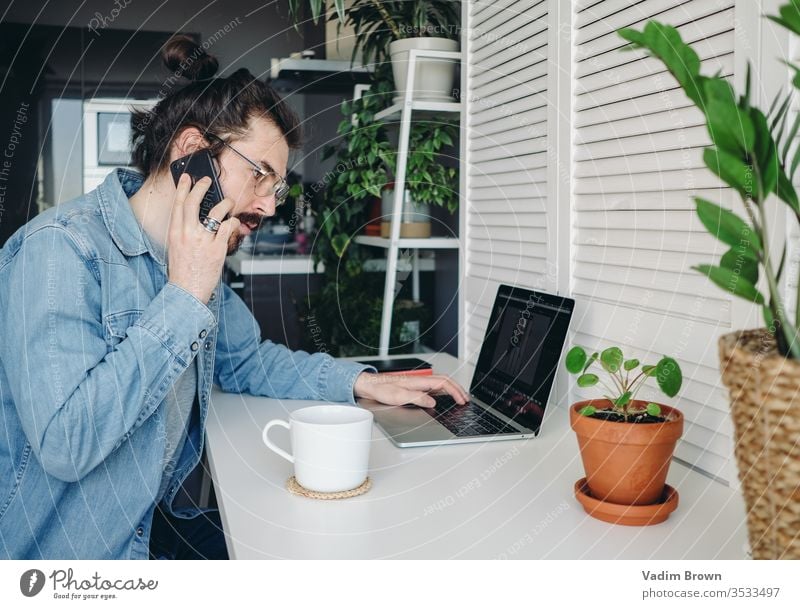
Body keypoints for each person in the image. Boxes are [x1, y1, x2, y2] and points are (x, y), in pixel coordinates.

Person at [0, 36, 468, 560]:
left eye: (278, 187)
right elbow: (67, 443)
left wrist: (361, 381)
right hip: (69, 561)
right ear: (191, 153)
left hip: (147, 525)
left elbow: (246, 360)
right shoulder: (59, 251)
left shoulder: (193, 253)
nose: (270, 205)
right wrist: (185, 294)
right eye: (260, 175)